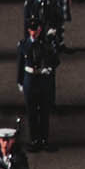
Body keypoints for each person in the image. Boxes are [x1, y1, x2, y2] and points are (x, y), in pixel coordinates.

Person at [18, 17, 59, 150]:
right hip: (29, 80)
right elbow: (20, 65)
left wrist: (49, 68)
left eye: (35, 30)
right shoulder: (24, 45)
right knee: (32, 112)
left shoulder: (46, 45)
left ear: (40, 30)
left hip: (42, 80)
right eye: (31, 30)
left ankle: (44, 139)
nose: (33, 32)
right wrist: (20, 81)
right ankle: (34, 140)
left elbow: (55, 60)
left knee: (44, 112)